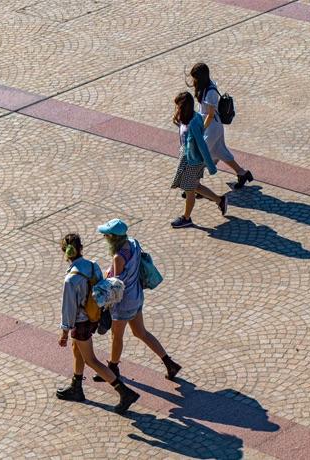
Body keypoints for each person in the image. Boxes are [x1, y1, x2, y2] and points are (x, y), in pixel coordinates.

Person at [56, 233, 140, 414]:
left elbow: (68, 310)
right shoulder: (93, 266)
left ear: (65, 253)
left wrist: (64, 333)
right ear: (81, 248)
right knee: (77, 349)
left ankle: (124, 392)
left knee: (91, 360)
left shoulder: (70, 280)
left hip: (81, 324)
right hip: (93, 318)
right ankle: (76, 387)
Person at [92, 219, 181, 382]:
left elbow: (115, 284)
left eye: (105, 236)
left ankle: (113, 369)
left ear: (112, 237)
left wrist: (106, 275)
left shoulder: (118, 257)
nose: (104, 238)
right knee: (141, 333)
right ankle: (169, 363)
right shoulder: (133, 243)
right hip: (137, 297)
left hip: (124, 303)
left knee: (116, 337)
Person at [189, 62, 253, 189]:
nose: (193, 80)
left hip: (212, 127)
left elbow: (210, 114)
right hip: (212, 126)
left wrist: (201, 128)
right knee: (220, 151)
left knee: (201, 153)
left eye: (195, 77)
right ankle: (242, 173)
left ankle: (193, 185)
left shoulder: (210, 91)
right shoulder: (205, 87)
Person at [170, 91, 228, 229]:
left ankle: (186, 218)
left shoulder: (194, 122)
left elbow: (202, 145)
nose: (176, 109)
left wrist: (210, 166)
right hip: (188, 156)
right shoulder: (189, 118)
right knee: (195, 186)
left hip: (193, 161)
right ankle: (220, 200)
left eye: (178, 106)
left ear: (184, 107)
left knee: (190, 190)